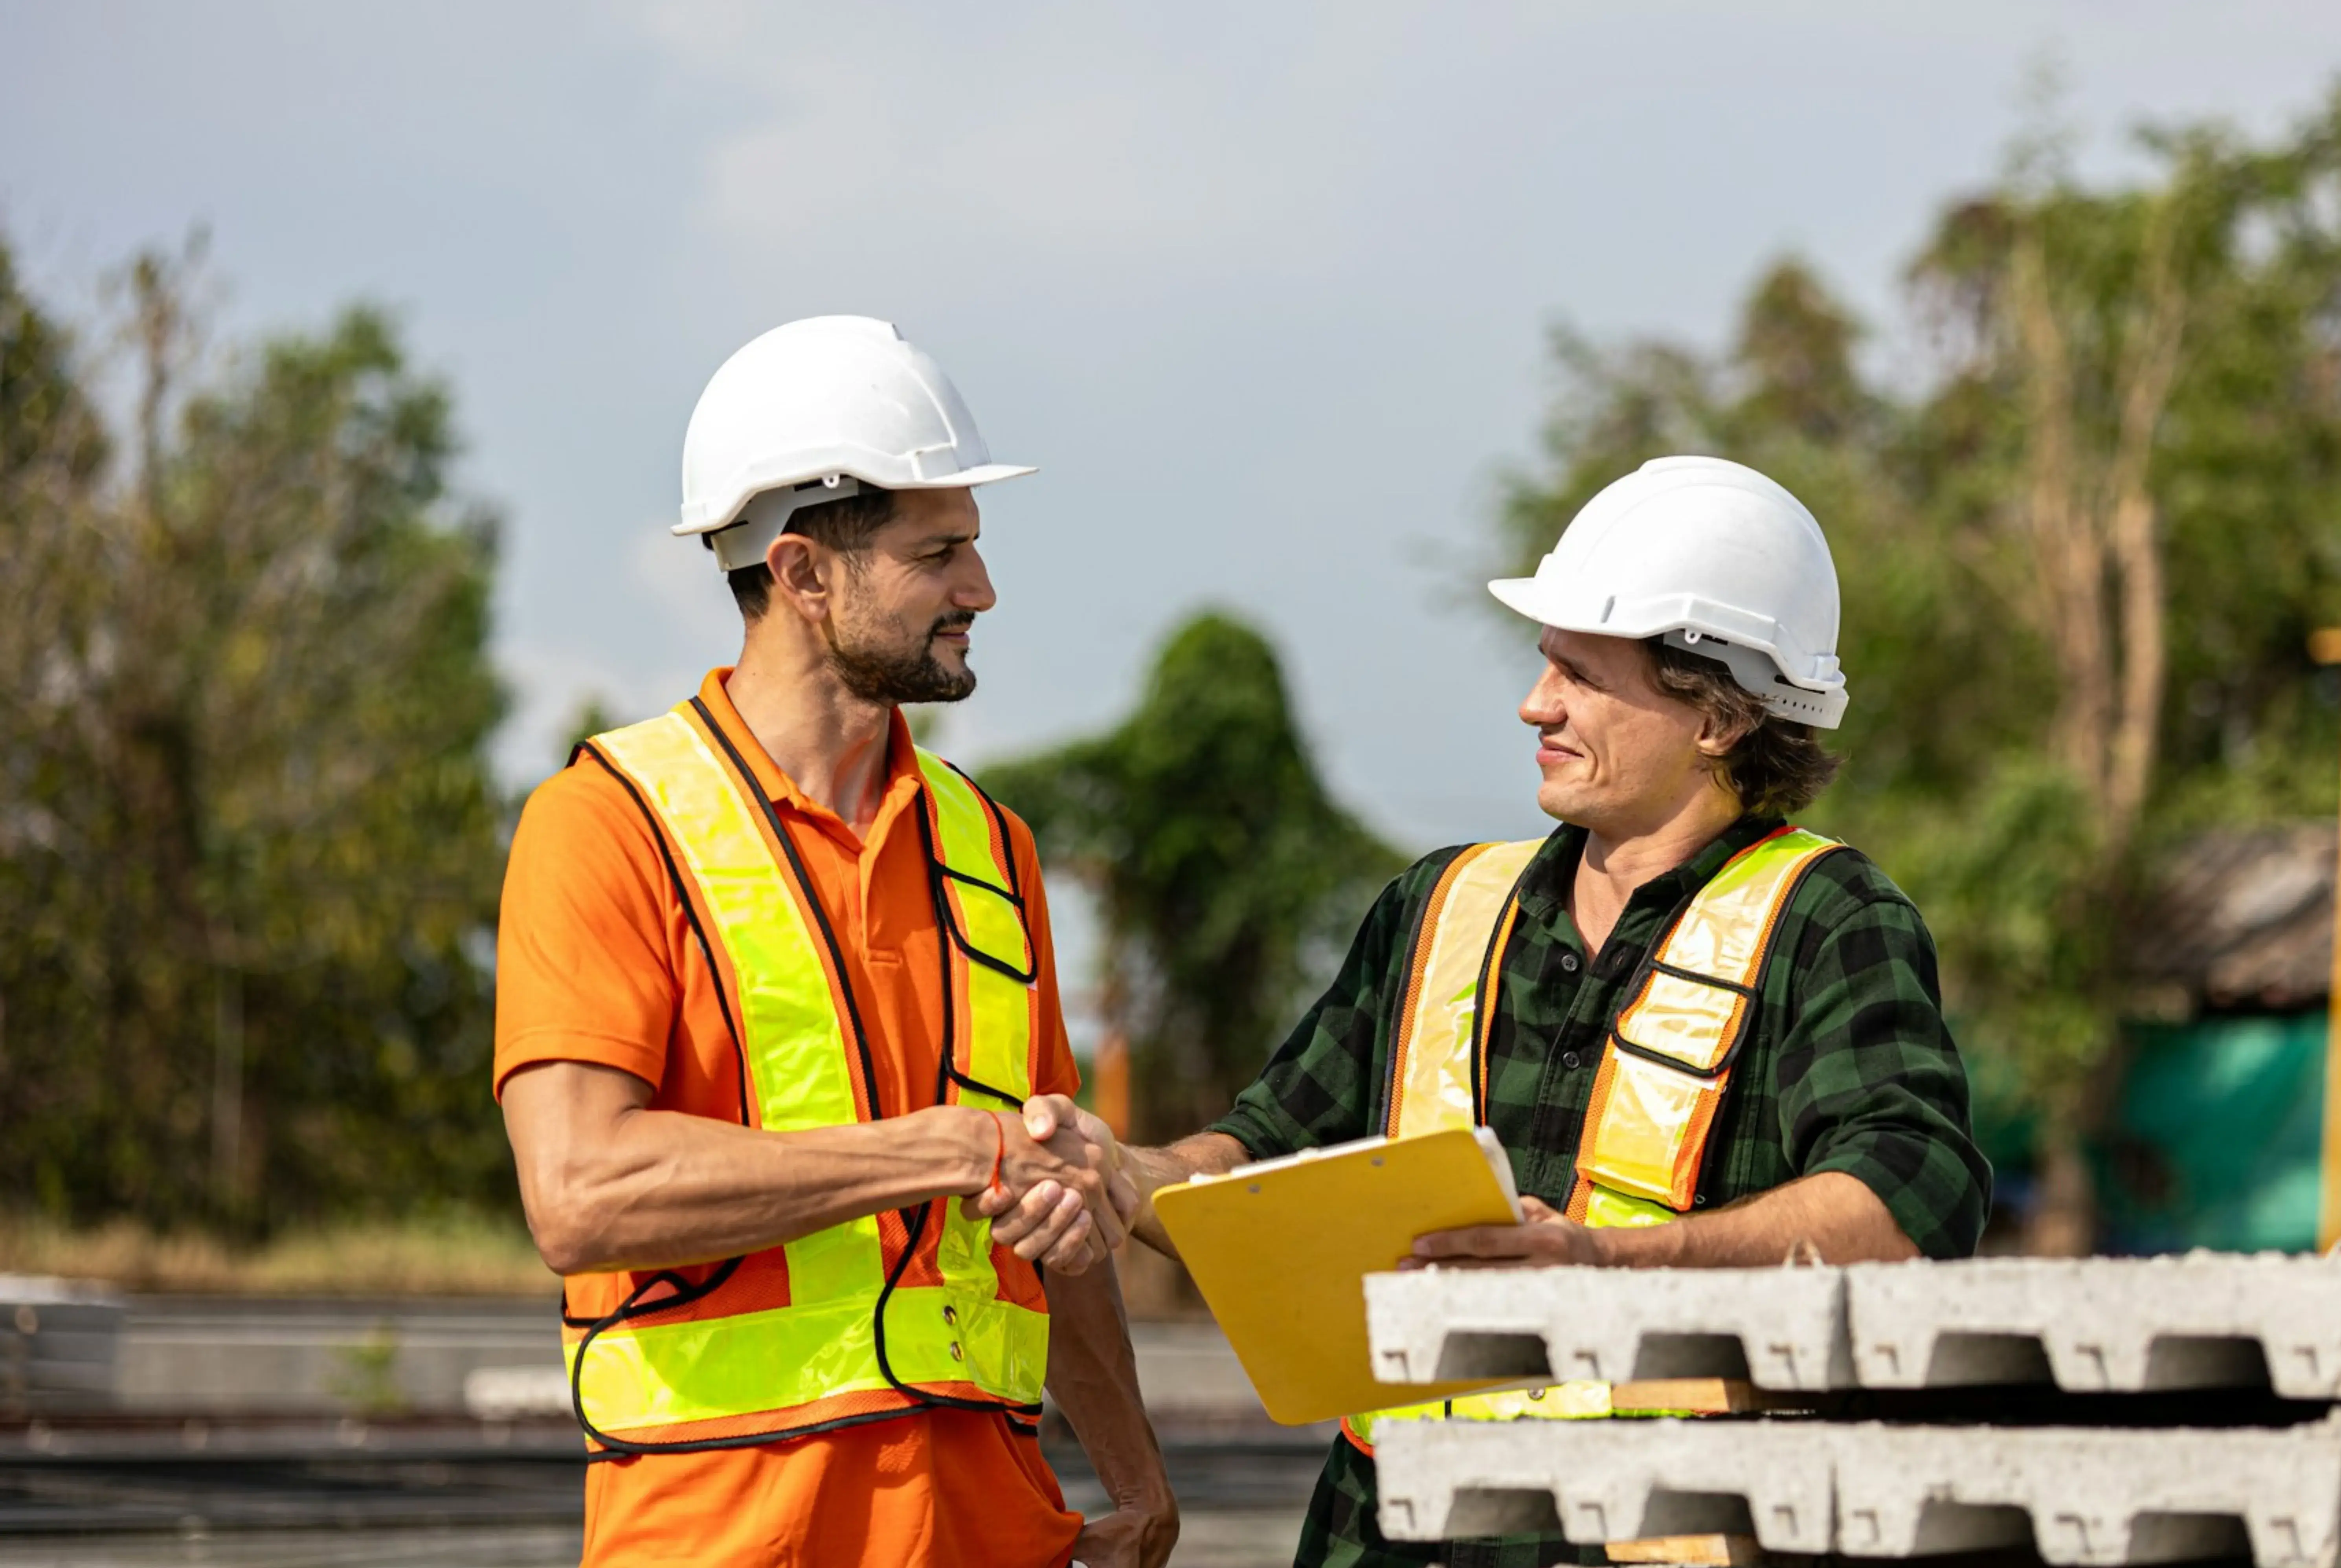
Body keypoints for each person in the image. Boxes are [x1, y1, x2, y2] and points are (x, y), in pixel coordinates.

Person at [996, 455, 1991, 1567]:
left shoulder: (1829, 921)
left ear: (1716, 714)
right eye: (1543, 664)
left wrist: (1608, 1266)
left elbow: (1909, 1211)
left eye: (1581, 674)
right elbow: (1255, 1163)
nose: (1536, 704)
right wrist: (1121, 1171)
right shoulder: (1437, 908)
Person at [494, 316, 1177, 1568]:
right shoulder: (606, 825)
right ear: (804, 573)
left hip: (994, 1533)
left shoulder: (989, 848)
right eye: (942, 554)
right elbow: (582, 1195)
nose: (981, 590)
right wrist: (936, 1149)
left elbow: (1050, 1192)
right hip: (723, 1535)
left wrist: (1133, 1475)